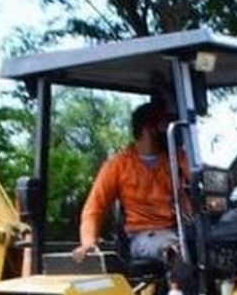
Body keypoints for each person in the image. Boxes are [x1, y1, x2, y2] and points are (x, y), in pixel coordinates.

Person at [73, 102, 182, 263]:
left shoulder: (177, 157)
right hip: (144, 236)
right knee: (175, 250)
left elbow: (202, 177)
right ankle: (177, 287)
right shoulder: (118, 165)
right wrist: (89, 242)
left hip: (179, 231)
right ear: (149, 128)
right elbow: (94, 208)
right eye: (164, 125)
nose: (170, 130)